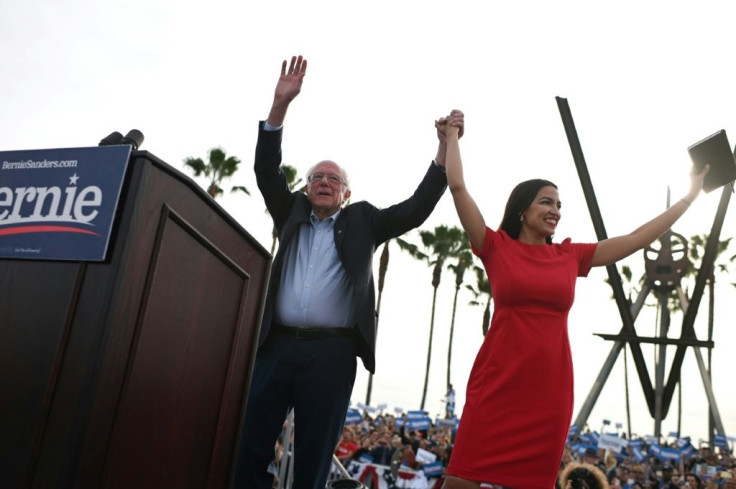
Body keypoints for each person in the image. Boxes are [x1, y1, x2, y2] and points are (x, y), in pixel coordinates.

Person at [436, 111, 708, 489]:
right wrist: (451, 139)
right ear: (522, 209)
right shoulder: (495, 246)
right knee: (459, 482)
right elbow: (459, 189)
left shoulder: (570, 255)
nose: (555, 212)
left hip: (549, 392)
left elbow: (636, 239)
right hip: (497, 383)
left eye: (559, 206)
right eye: (547, 202)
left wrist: (689, 198)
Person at [233, 55, 462, 489]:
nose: (323, 182)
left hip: (331, 356)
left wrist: (443, 149)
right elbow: (266, 169)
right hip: (276, 346)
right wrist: (280, 104)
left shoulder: (363, 222)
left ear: (347, 193)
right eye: (316, 177)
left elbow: (415, 210)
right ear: (305, 188)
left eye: (333, 180)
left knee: (315, 460)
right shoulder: (289, 212)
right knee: (250, 450)